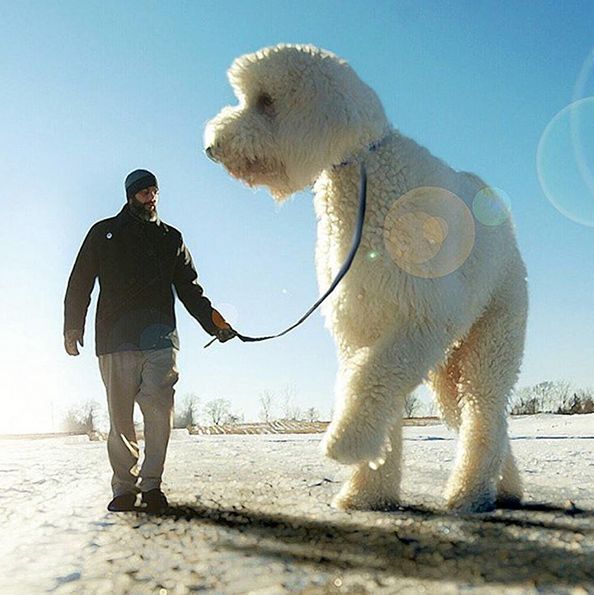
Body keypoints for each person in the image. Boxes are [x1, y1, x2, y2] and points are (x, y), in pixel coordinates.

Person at [64, 169, 236, 513]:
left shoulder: (170, 238)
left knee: (159, 415)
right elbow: (80, 281)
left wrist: (215, 322)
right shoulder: (103, 234)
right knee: (121, 419)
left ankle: (152, 484)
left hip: (160, 340)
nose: (151, 197)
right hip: (115, 341)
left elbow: (190, 289)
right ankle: (123, 488)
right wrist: (72, 327)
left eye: (154, 191)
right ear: (130, 195)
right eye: (144, 192)